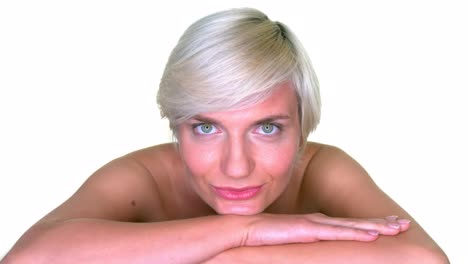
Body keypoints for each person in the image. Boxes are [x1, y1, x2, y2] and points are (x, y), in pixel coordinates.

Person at [2, 7, 448, 264]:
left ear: (303, 126)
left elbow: (423, 261)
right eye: (206, 127)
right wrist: (247, 231)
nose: (237, 167)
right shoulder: (141, 178)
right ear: (175, 125)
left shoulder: (324, 169)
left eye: (267, 128)